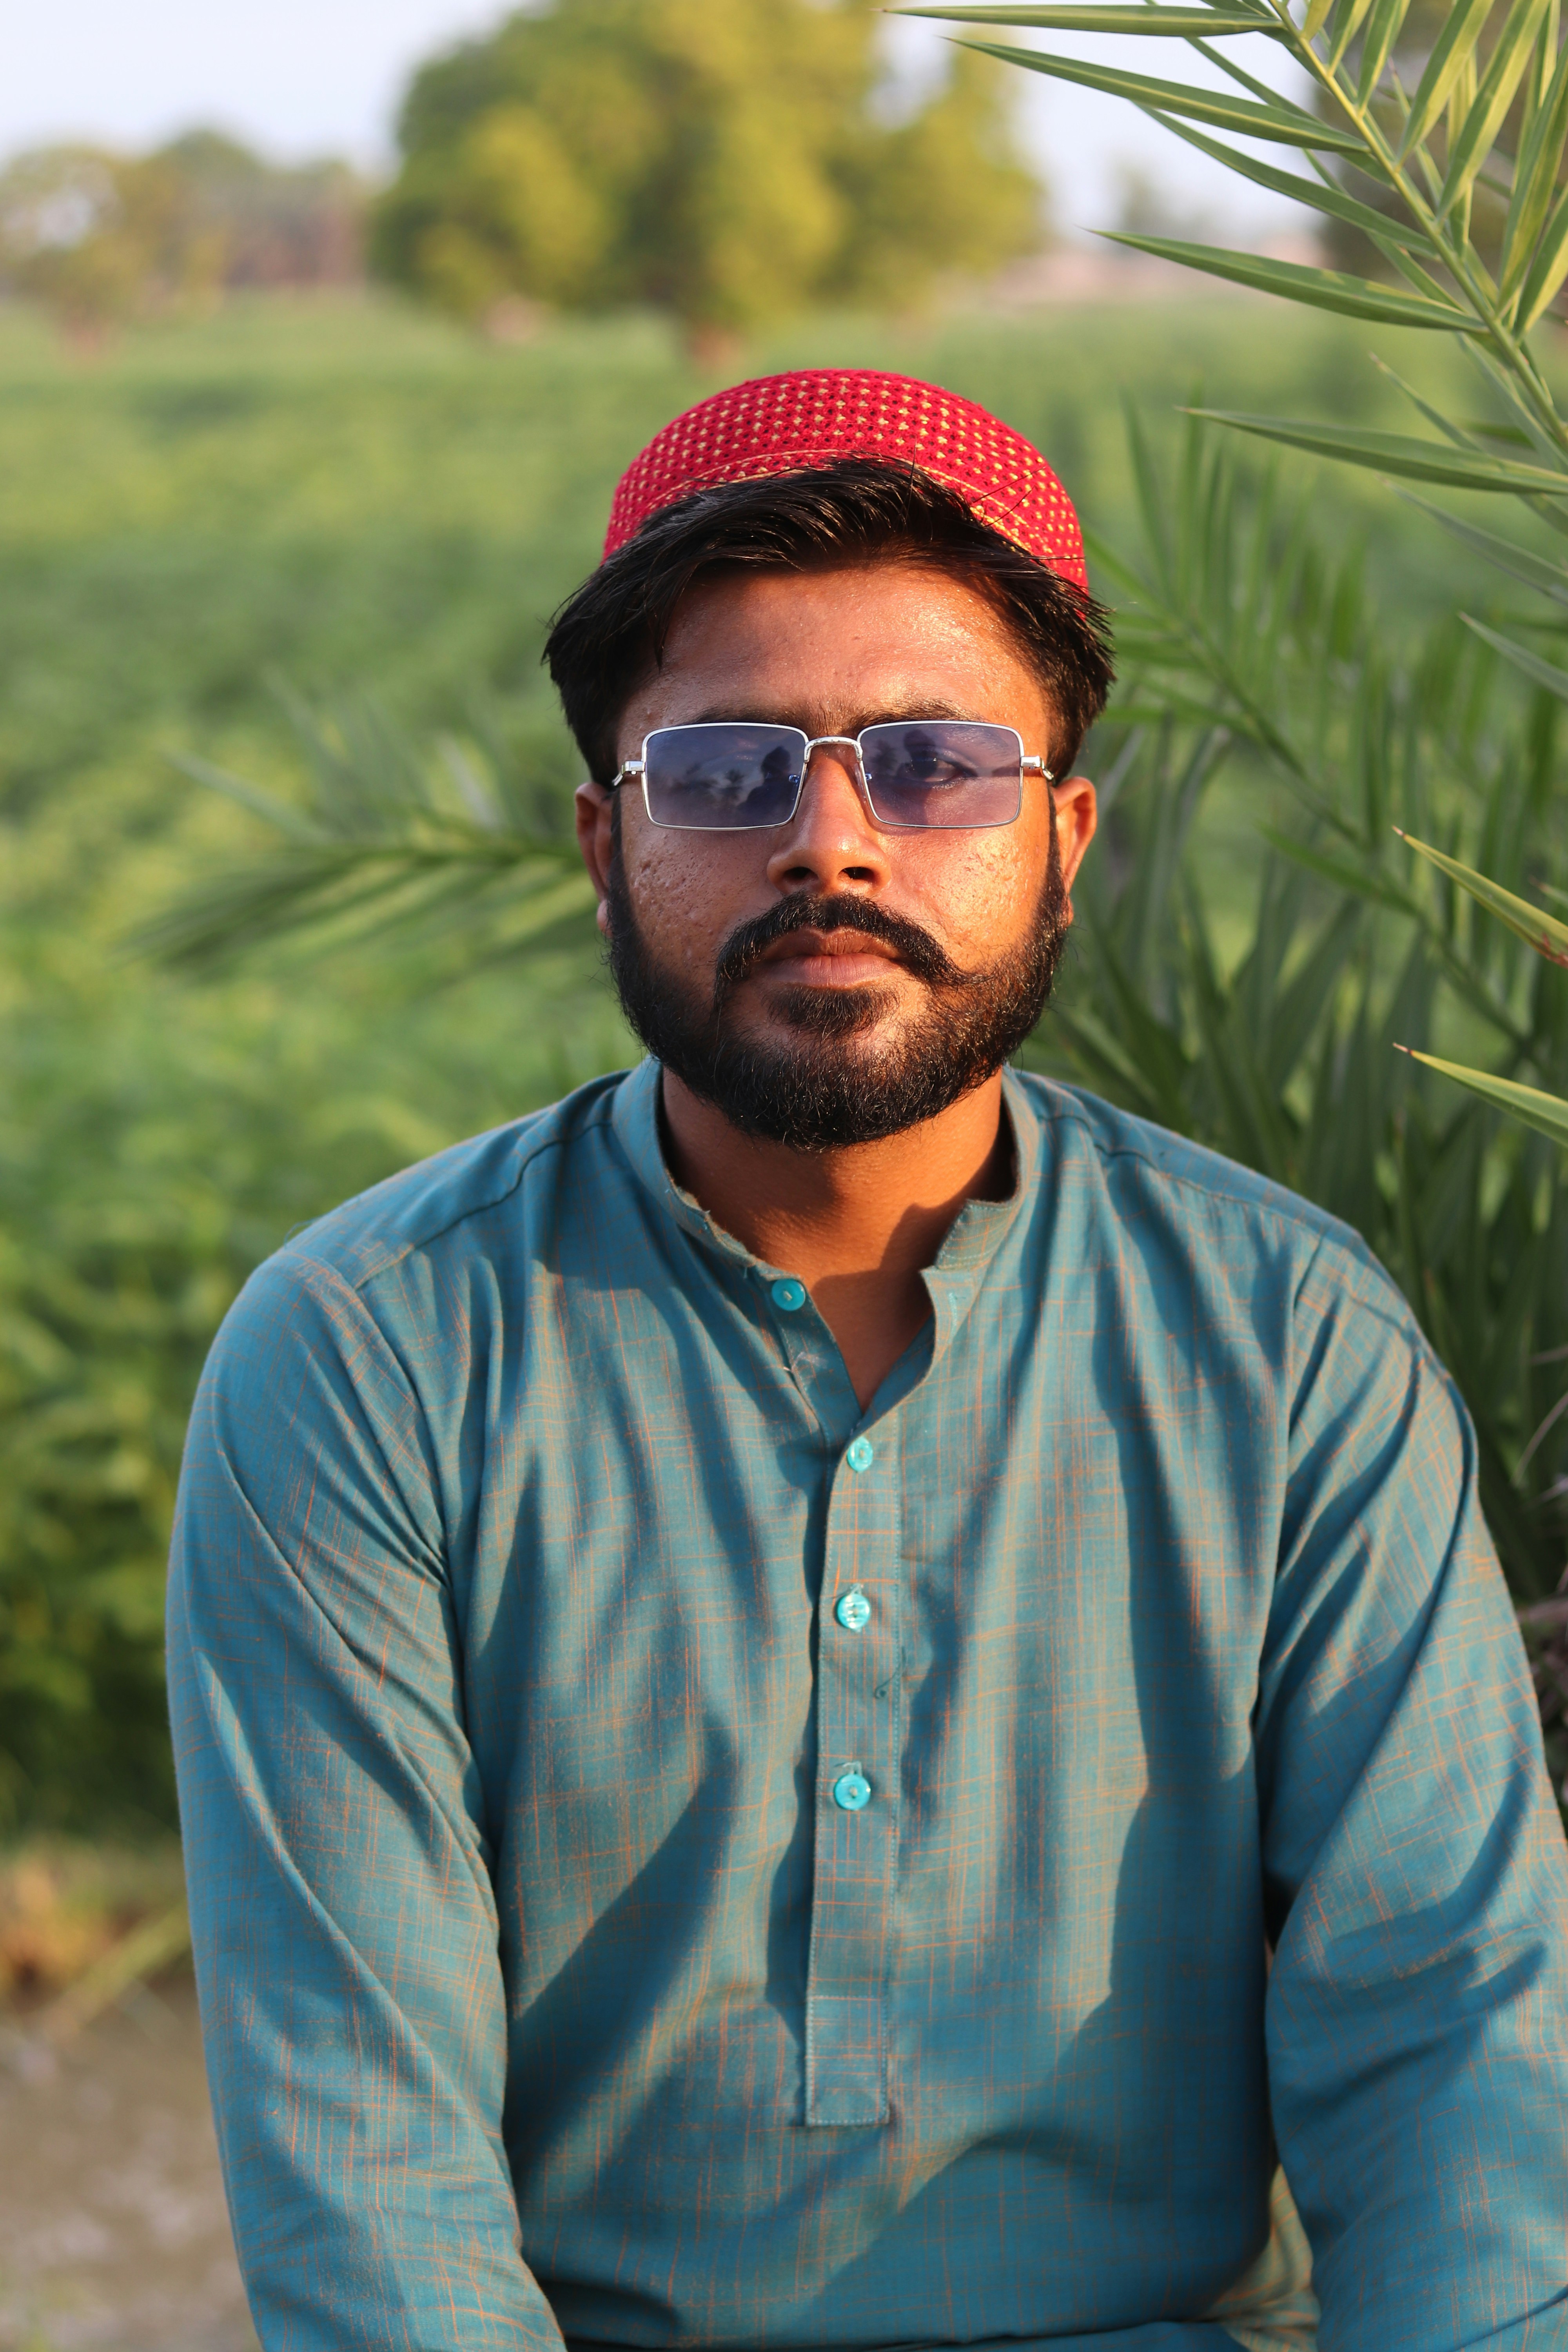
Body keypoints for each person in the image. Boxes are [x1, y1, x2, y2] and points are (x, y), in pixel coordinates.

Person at [166, 370, 1568, 2352]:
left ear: (1064, 835)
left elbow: (1453, 2058)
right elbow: (368, 2175)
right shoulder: (374, 1358)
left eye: (931, 766)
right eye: (732, 773)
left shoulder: (1291, 1344)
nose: (832, 843)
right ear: (602, 840)